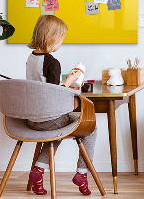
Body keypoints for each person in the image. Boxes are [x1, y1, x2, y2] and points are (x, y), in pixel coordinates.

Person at [26, 15, 96, 196]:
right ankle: (82, 173)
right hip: (49, 119)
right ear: (52, 38)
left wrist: (66, 82)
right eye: (61, 39)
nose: (61, 43)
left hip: (32, 119)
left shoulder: (31, 58)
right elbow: (54, 94)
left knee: (56, 130)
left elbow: (43, 87)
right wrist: (71, 81)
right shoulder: (52, 62)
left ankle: (38, 171)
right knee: (91, 127)